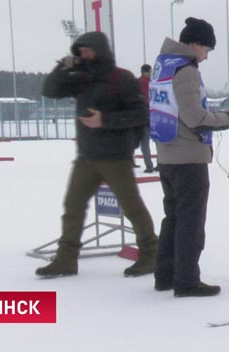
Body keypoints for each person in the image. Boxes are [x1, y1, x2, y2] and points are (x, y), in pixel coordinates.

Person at [38, 31, 158, 278]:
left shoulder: (121, 78)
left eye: (88, 51)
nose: (84, 56)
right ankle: (66, 259)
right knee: (73, 205)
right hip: (87, 156)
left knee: (131, 207)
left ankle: (151, 254)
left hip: (116, 156)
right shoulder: (82, 78)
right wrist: (63, 66)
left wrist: (104, 120)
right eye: (80, 52)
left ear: (100, 50)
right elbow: (50, 90)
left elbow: (141, 114)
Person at [150, 17, 229, 297]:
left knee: (172, 218)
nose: (207, 56)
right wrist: (225, 119)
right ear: (195, 43)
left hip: (167, 154)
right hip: (188, 157)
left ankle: (165, 275)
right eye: (207, 50)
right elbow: (194, 116)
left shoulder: (163, 65)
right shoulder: (185, 70)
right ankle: (186, 280)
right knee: (190, 221)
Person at [136, 64, 156, 172]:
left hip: (150, 114)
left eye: (150, 71)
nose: (150, 73)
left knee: (149, 142)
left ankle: (154, 165)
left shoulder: (152, 82)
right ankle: (149, 165)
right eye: (148, 71)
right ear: (143, 72)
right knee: (144, 142)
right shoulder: (141, 83)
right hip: (146, 115)